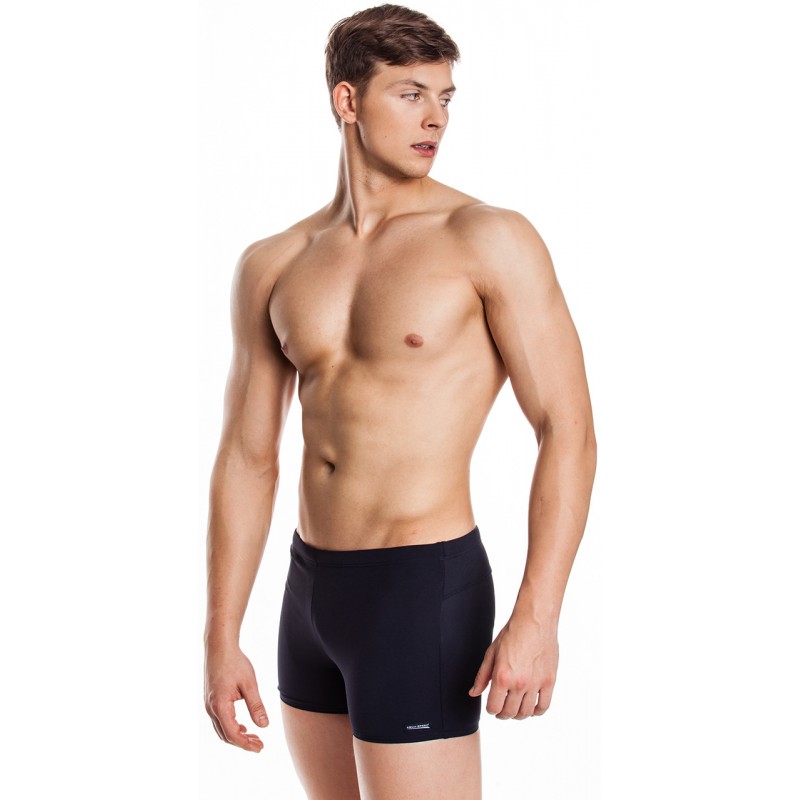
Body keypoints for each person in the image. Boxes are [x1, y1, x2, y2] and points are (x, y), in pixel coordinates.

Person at [203, 3, 597, 798]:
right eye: (411, 94)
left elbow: (567, 429)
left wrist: (538, 615)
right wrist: (221, 633)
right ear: (347, 100)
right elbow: (248, 458)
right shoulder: (274, 264)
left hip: (422, 586)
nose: (435, 118)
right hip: (310, 594)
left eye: (445, 97)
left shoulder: (486, 238)